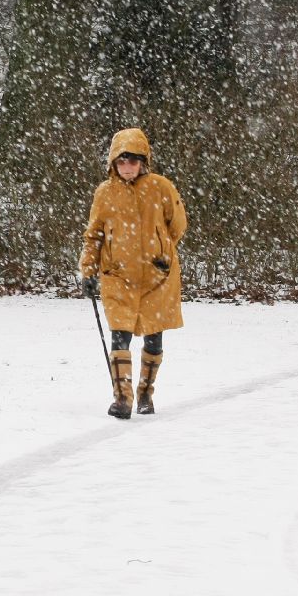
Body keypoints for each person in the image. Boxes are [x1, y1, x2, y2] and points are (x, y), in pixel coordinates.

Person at [79, 127, 187, 419]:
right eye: (122, 160)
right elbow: (94, 235)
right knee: (120, 335)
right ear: (113, 163)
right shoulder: (105, 193)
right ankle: (122, 399)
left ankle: (145, 394)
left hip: (157, 277)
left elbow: (177, 224)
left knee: (154, 337)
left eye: (133, 160)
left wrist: (162, 249)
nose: (127, 166)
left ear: (143, 161)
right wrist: (88, 270)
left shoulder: (161, 188)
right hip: (117, 276)